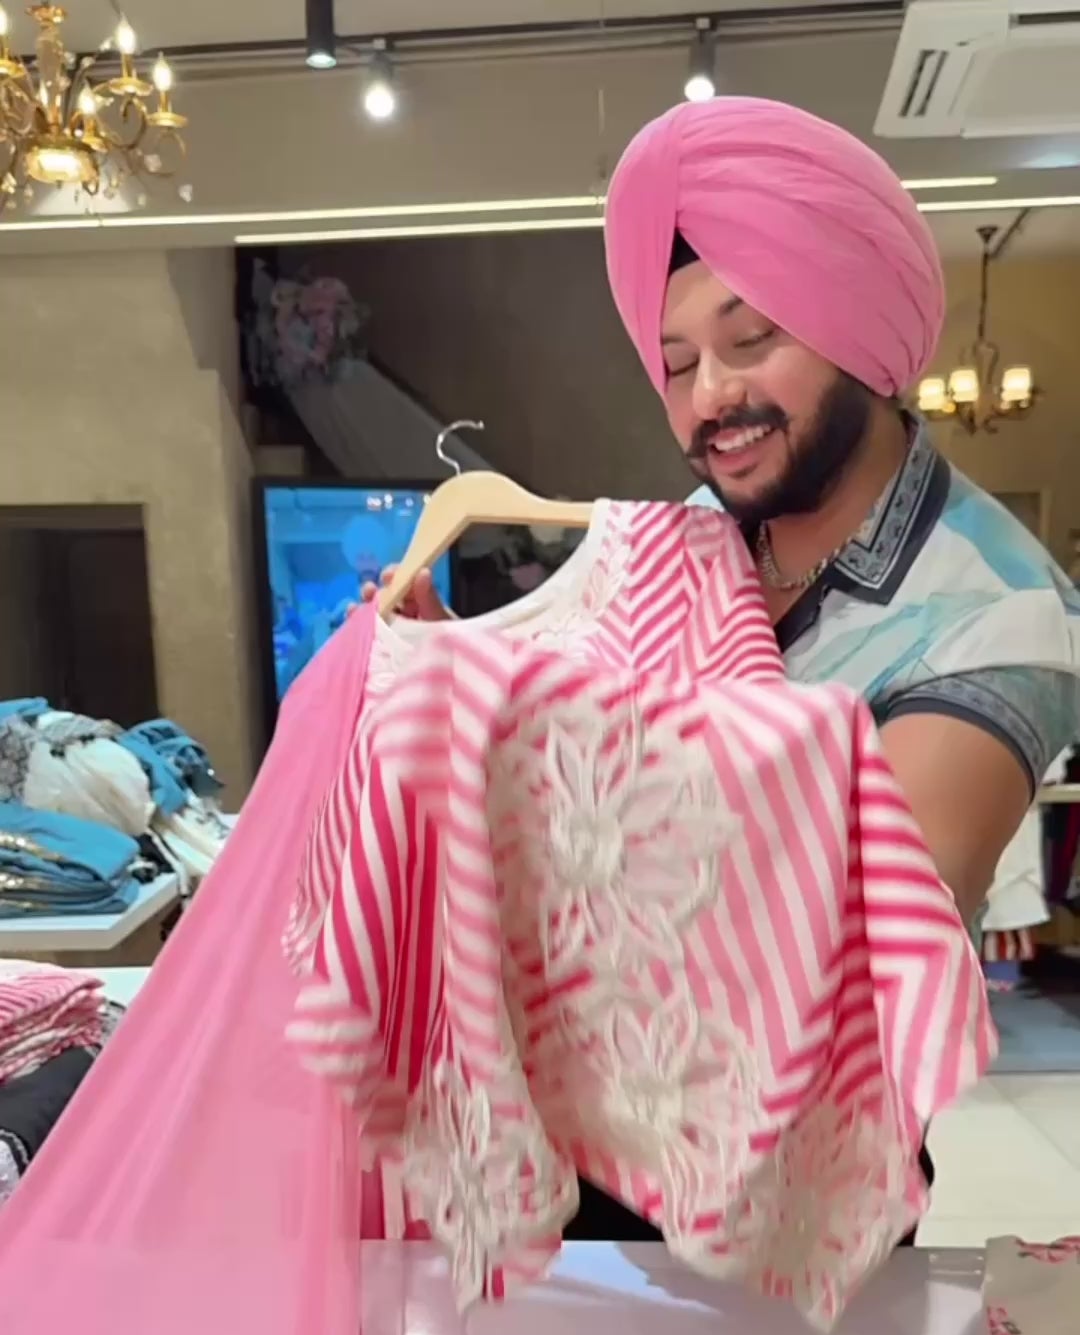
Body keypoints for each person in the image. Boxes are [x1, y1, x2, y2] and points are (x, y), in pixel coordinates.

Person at [365, 95, 1080, 1239]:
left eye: (752, 344)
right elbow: (594, 711)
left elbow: (851, 933)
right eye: (677, 362)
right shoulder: (694, 534)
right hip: (583, 1128)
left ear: (855, 328)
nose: (710, 399)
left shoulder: (996, 612)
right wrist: (453, 665)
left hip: (792, 1186)